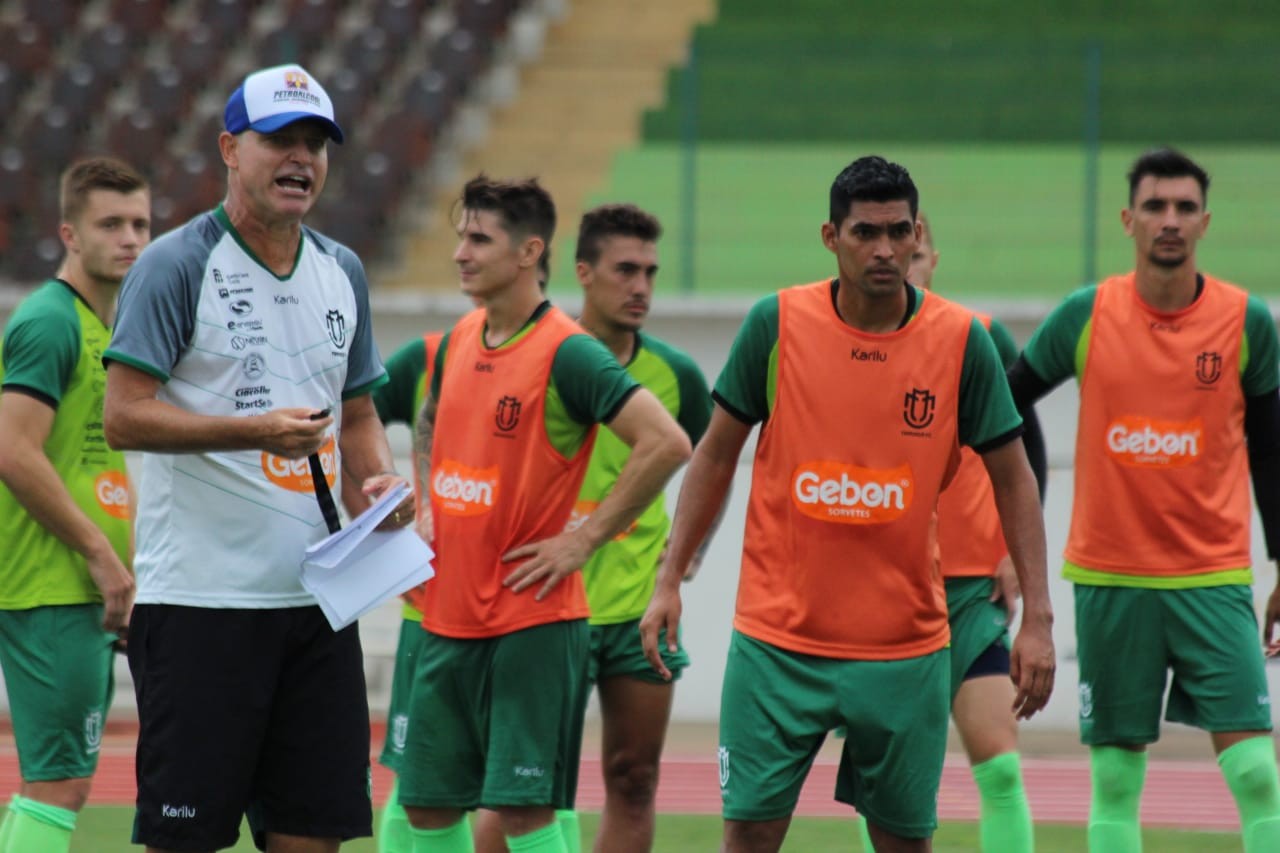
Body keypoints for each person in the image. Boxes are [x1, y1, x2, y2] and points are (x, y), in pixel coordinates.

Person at [640, 156, 1056, 853]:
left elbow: (1014, 477)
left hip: (904, 651)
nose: (886, 249)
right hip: (777, 646)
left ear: (918, 231)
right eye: (866, 232)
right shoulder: (776, 324)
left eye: (899, 231)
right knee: (748, 838)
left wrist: (1038, 615)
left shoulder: (961, 341)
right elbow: (715, 452)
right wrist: (669, 576)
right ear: (830, 236)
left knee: (903, 843)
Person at [102, 63, 414, 853]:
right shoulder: (175, 265)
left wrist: (375, 482)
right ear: (229, 149)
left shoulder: (341, 270)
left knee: (313, 836)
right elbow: (124, 417)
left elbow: (358, 413)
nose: (300, 157)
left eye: (315, 142)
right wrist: (254, 432)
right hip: (202, 604)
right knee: (186, 840)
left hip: (316, 603)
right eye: (280, 139)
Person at [399, 176, 692, 853]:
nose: (459, 253)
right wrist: (425, 506)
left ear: (530, 251)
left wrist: (583, 539)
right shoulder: (462, 335)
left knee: (525, 812)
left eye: (478, 238)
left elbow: (667, 443)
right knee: (427, 809)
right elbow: (429, 420)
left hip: (530, 620)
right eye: (460, 236)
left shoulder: (567, 351)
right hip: (447, 614)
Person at [1007, 146, 1280, 853]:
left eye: (1185, 207)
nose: (1170, 220)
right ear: (1128, 219)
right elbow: (1004, 406)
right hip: (1110, 578)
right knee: (1118, 781)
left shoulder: (1248, 323)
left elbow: (1272, 449)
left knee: (1256, 772)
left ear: (1205, 222)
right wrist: (1021, 513)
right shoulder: (1084, 313)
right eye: (1155, 206)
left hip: (1214, 577)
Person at [473, 204, 714, 853]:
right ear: (583, 271)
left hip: (639, 612)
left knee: (633, 778)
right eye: (625, 269)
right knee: (520, 790)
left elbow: (709, 463)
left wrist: (686, 554)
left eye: (651, 272)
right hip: (547, 607)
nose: (641, 286)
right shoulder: (533, 356)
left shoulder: (678, 377)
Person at [854, 214, 1037, 852]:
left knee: (1000, 762)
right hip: (886, 594)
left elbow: (1025, 454)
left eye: (917, 250)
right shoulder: (851, 347)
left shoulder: (978, 338)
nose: (904, 261)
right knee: (879, 780)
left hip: (969, 593)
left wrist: (1017, 554)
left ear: (931, 258)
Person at [0, 157, 149, 853]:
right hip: (52, 582)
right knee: (60, 783)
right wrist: (98, 552)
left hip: (84, 585)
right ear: (69, 233)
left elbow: (92, 460)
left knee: (59, 780)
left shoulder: (102, 327)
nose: (130, 239)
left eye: (141, 224)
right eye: (111, 224)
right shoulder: (52, 322)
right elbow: (13, 449)